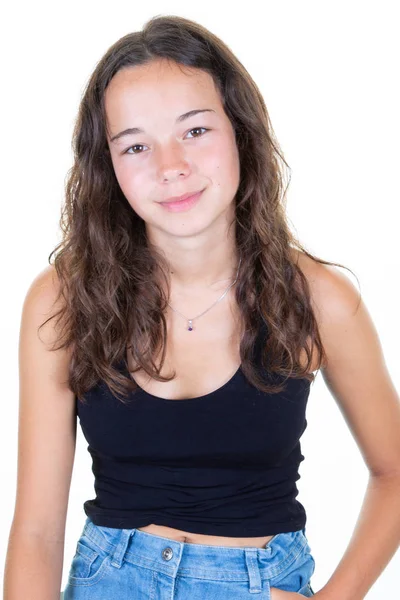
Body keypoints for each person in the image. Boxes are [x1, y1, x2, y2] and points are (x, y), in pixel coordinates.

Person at [4, 14, 400, 600]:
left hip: (254, 583)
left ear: (240, 130)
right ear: (108, 166)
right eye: (135, 145)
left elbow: (394, 473)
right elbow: (36, 531)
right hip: (108, 581)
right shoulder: (62, 299)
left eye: (194, 131)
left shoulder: (320, 299)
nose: (170, 167)